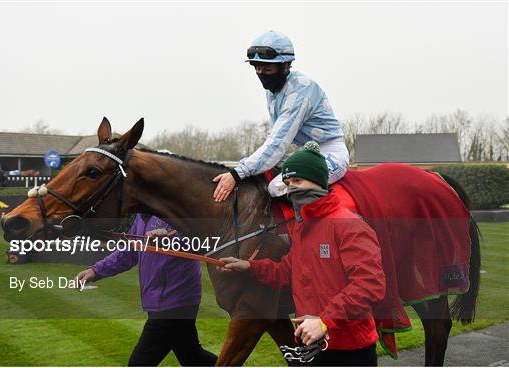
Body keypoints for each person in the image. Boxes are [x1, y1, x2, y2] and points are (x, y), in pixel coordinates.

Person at [218, 142, 385, 366]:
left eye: (298, 181)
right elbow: (288, 270)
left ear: (318, 181)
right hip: (311, 344)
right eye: (288, 183)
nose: (292, 189)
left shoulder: (349, 225)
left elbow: (370, 284)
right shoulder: (303, 226)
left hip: (350, 350)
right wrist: (250, 266)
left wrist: (325, 321)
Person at [213, 30, 349, 202]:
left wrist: (237, 173)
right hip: (304, 153)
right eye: (257, 68)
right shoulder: (274, 91)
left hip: (331, 153)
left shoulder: (299, 92)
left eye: (267, 69)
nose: (261, 74)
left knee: (276, 187)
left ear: (285, 66)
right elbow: (275, 139)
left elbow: (277, 143)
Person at [75, 214, 217, 367]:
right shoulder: (140, 217)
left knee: (139, 363)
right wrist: (95, 271)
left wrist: (169, 240)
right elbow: (128, 252)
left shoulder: (174, 208)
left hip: (174, 301)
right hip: (163, 300)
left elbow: (198, 242)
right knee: (192, 357)